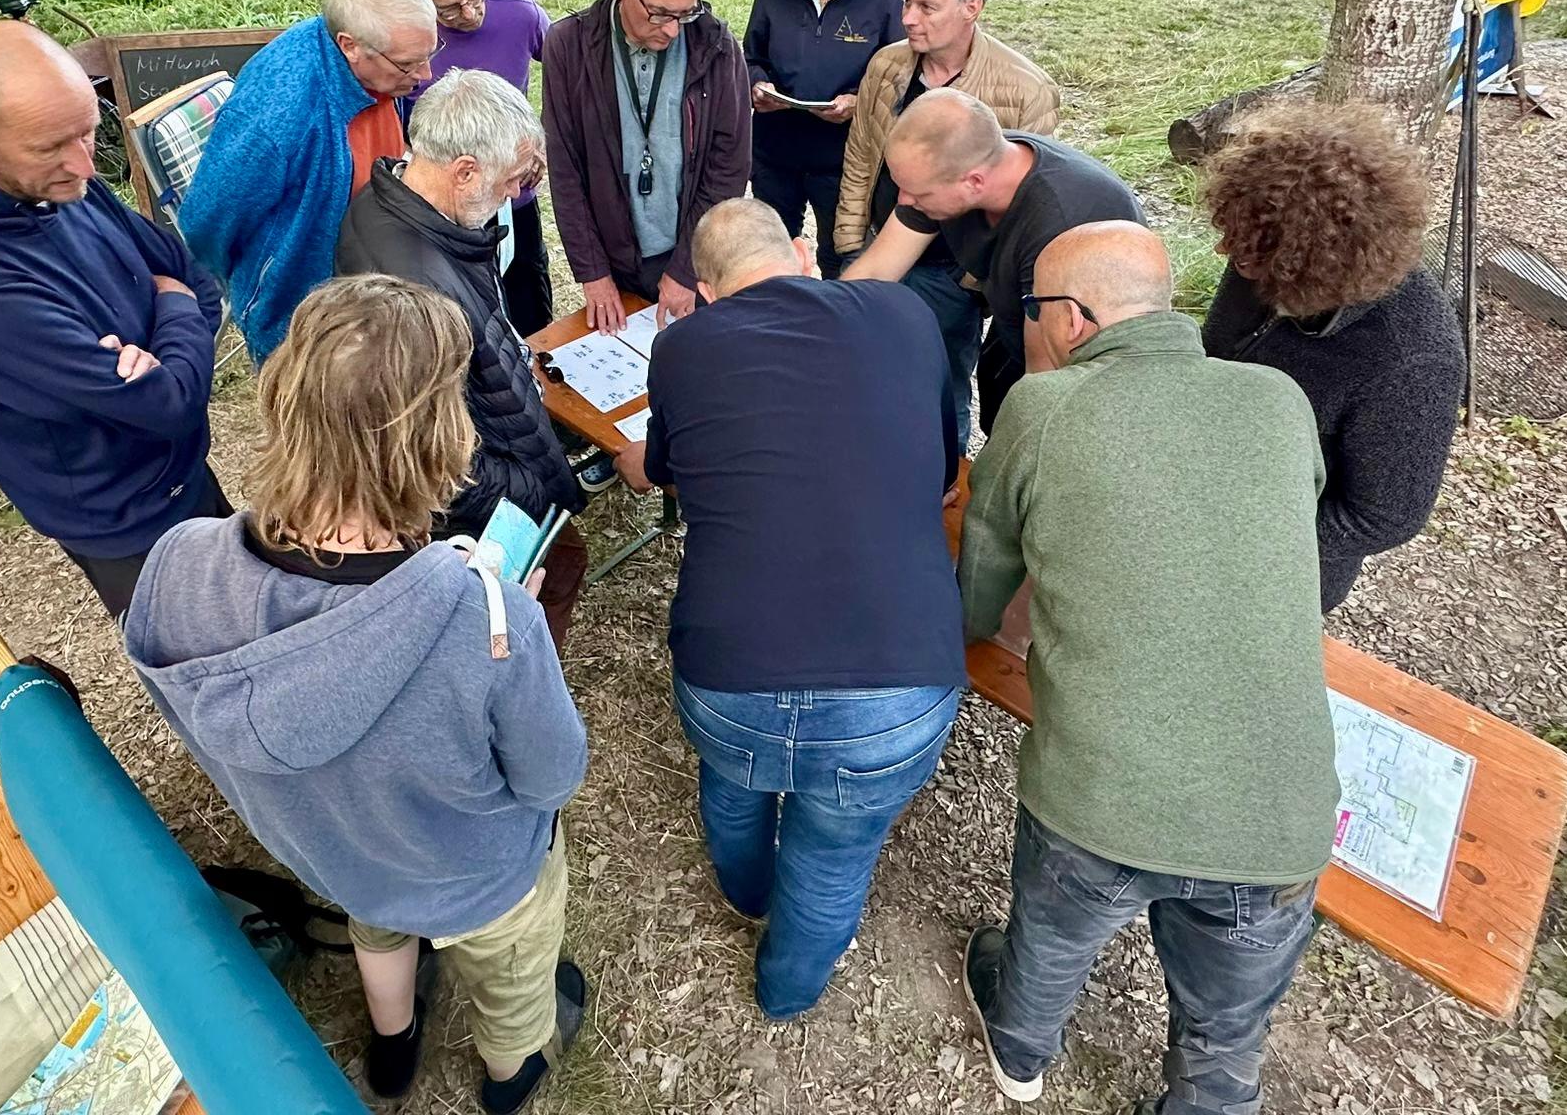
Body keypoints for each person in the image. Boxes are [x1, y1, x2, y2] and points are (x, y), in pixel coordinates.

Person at [126, 275, 589, 1114]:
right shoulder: (489, 620)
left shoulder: (177, 565)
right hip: (475, 878)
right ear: (437, 433)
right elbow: (553, 778)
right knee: (515, 965)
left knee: (379, 925)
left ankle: (393, 1043)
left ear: (283, 395)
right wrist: (499, 616)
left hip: (339, 854)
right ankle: (510, 1070)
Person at [957, 221, 1338, 1115]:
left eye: (1032, 310)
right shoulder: (1277, 398)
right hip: (1275, 820)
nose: (1029, 327)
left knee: (1049, 944)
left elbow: (983, 575)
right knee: (1225, 1029)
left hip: (1097, 797)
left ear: (1076, 319)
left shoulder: (1041, 410)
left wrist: (965, 635)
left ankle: (1021, 1053)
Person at [612, 199, 964, 1019]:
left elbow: (662, 467)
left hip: (730, 675)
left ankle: (745, 895)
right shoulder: (903, 315)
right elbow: (944, 468)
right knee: (836, 856)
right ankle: (785, 992)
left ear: (703, 290)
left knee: (734, 783)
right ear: (805, 254)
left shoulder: (682, 346)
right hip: (897, 685)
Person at [0, 21, 226, 620]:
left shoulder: (57, 180)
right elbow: (170, 402)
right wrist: (172, 309)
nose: (85, 165)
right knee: (216, 670)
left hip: (182, 469)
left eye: (88, 133)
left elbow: (190, 275)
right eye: (53, 146)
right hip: (126, 520)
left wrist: (169, 321)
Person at [338, 69, 590, 648]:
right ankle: (518, 679)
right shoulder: (421, 297)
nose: (511, 197)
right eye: (507, 182)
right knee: (552, 575)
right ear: (465, 170)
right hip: (482, 500)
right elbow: (434, 464)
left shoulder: (385, 201)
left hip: (498, 448)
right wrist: (529, 486)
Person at [1200, 102, 1465, 612]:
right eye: (1232, 239)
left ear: (1325, 262)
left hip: (1277, 567)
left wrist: (1240, 537)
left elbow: (1383, 517)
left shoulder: (1410, 361)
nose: (1229, 257)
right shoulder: (1266, 247)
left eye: (1252, 253)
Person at [833, 0, 1059, 440]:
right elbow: (860, 156)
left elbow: (1025, 208)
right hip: (880, 249)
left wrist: (970, 286)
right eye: (906, 2)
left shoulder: (1026, 91)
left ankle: (944, 484)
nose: (908, 18)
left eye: (927, 6)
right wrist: (850, 243)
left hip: (952, 276)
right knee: (865, 374)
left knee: (941, 387)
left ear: (972, 7)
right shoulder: (887, 65)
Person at [181, 0, 435, 361]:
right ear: (349, 46)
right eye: (408, 63)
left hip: (363, 285)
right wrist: (259, 278)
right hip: (299, 316)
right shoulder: (278, 114)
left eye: (428, 53)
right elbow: (205, 221)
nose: (425, 74)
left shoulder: (378, 61)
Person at [846, 89, 1141, 437]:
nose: (904, 201)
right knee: (995, 411)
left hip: (1085, 366)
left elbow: (1043, 380)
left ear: (973, 182)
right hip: (1019, 317)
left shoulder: (1058, 222)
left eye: (917, 194)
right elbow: (876, 271)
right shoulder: (955, 166)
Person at [542, 0, 750, 331]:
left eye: (685, 14)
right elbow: (565, 172)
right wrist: (593, 273)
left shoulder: (718, 50)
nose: (673, 30)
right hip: (614, 262)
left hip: (690, 256)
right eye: (659, 14)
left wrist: (687, 269)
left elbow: (727, 172)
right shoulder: (568, 48)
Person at [396, 0, 556, 335]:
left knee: (530, 315)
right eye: (448, 7)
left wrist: (542, 146)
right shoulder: (404, 41)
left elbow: (572, 78)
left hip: (512, 200)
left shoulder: (521, 15)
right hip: (441, 216)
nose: (469, 13)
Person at [743, 0, 904, 279]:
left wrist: (856, 102)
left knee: (840, 258)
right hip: (774, 152)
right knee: (773, 256)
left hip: (844, 161)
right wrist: (757, 84)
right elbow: (751, 56)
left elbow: (901, 81)